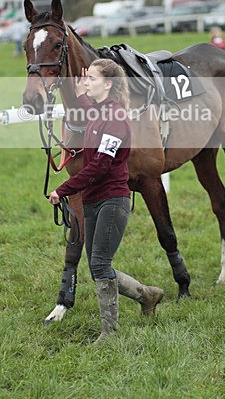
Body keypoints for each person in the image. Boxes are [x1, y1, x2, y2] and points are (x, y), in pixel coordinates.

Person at [48, 59, 163, 344]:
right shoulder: (100, 111)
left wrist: (63, 189)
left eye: (92, 79)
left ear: (108, 85)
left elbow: (99, 165)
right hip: (93, 200)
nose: (86, 82)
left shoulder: (116, 118)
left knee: (100, 264)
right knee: (98, 265)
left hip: (113, 200)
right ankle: (147, 295)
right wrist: (83, 95)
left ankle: (109, 333)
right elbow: (93, 115)